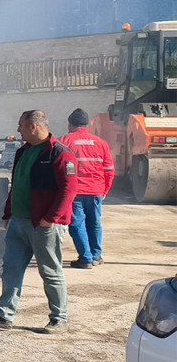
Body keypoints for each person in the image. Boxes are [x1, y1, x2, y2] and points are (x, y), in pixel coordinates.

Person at [0, 109, 80, 333]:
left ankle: (59, 319)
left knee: (50, 271)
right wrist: (7, 213)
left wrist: (50, 219)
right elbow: (17, 184)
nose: (18, 130)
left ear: (33, 126)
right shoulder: (24, 151)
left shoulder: (60, 153)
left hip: (43, 225)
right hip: (18, 222)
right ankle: (3, 315)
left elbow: (69, 189)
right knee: (11, 268)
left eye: (21, 125)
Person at [63, 107, 113, 268]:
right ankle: (96, 255)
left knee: (77, 223)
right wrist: (105, 190)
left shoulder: (63, 141)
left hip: (74, 191)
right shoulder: (101, 143)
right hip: (96, 190)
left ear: (70, 124)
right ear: (87, 125)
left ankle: (85, 258)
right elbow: (109, 170)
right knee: (94, 222)